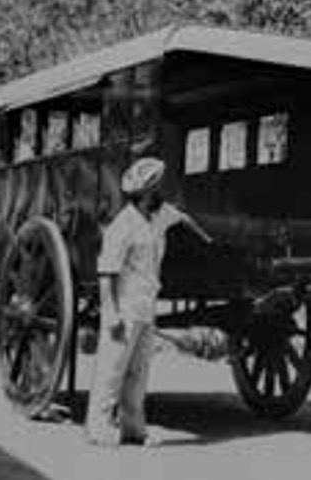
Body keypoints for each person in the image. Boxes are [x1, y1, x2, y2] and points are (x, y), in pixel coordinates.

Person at [85, 157, 212, 446]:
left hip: (146, 306)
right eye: (155, 188)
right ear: (143, 193)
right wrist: (111, 314)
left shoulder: (159, 215)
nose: (159, 192)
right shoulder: (122, 226)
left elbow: (183, 217)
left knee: (139, 371)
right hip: (124, 305)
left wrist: (206, 239)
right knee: (112, 369)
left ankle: (133, 428)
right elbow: (106, 273)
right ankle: (98, 428)